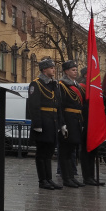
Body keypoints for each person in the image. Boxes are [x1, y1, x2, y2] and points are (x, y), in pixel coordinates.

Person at [27, 58, 64, 190]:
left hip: (52, 123)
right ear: (44, 69)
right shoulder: (36, 84)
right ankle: (42, 180)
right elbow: (33, 106)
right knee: (41, 153)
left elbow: (58, 105)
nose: (54, 69)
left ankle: (49, 178)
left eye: (54, 67)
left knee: (49, 154)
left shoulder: (54, 84)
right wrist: (37, 124)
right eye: (51, 67)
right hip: (43, 123)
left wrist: (61, 124)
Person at [58, 60, 85, 188]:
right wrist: (62, 123)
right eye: (73, 70)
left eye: (76, 69)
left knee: (72, 149)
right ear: (66, 71)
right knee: (65, 151)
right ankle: (66, 177)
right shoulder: (62, 85)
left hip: (77, 120)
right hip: (68, 120)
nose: (75, 72)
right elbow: (60, 106)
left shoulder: (77, 86)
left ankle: (71, 176)